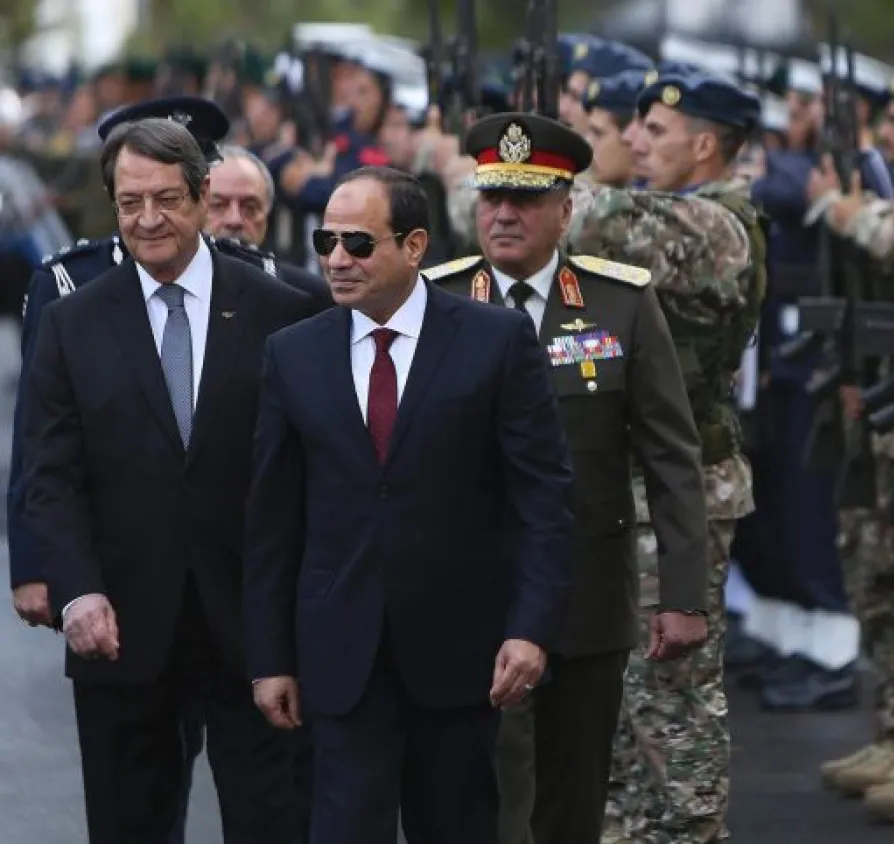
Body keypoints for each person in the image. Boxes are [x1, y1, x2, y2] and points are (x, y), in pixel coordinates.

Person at [242, 165, 575, 844]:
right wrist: (270, 656)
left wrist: (531, 628)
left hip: (461, 656)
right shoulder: (293, 354)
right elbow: (273, 519)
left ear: (415, 246)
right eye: (325, 241)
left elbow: (542, 498)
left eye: (358, 244)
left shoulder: (496, 340)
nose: (336, 260)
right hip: (338, 656)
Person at [21, 117, 317, 844]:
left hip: (256, 630)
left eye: (165, 199)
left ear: (201, 194)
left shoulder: (285, 312)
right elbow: (48, 473)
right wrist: (75, 588)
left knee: (274, 822)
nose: (147, 219)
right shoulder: (72, 322)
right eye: (129, 203)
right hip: (120, 630)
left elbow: (313, 477)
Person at [427, 110, 710, 844]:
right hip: (468, 595)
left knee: (572, 801)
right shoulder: (437, 302)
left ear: (567, 208)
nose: (505, 214)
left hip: (586, 595)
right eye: (492, 197)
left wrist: (682, 594)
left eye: (525, 199)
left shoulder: (619, 301)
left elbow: (671, 454)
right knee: (480, 800)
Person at [567, 70, 766, 844]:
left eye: (655, 132)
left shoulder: (721, 224)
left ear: (706, 145)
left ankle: (689, 831)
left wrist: (548, 165)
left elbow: (585, 221)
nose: (634, 141)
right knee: (624, 687)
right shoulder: (676, 211)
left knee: (671, 693)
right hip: (630, 479)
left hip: (683, 491)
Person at [204, 145, 333, 307]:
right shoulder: (171, 291)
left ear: (267, 213)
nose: (234, 220)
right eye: (218, 205)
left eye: (250, 207)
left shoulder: (310, 297)